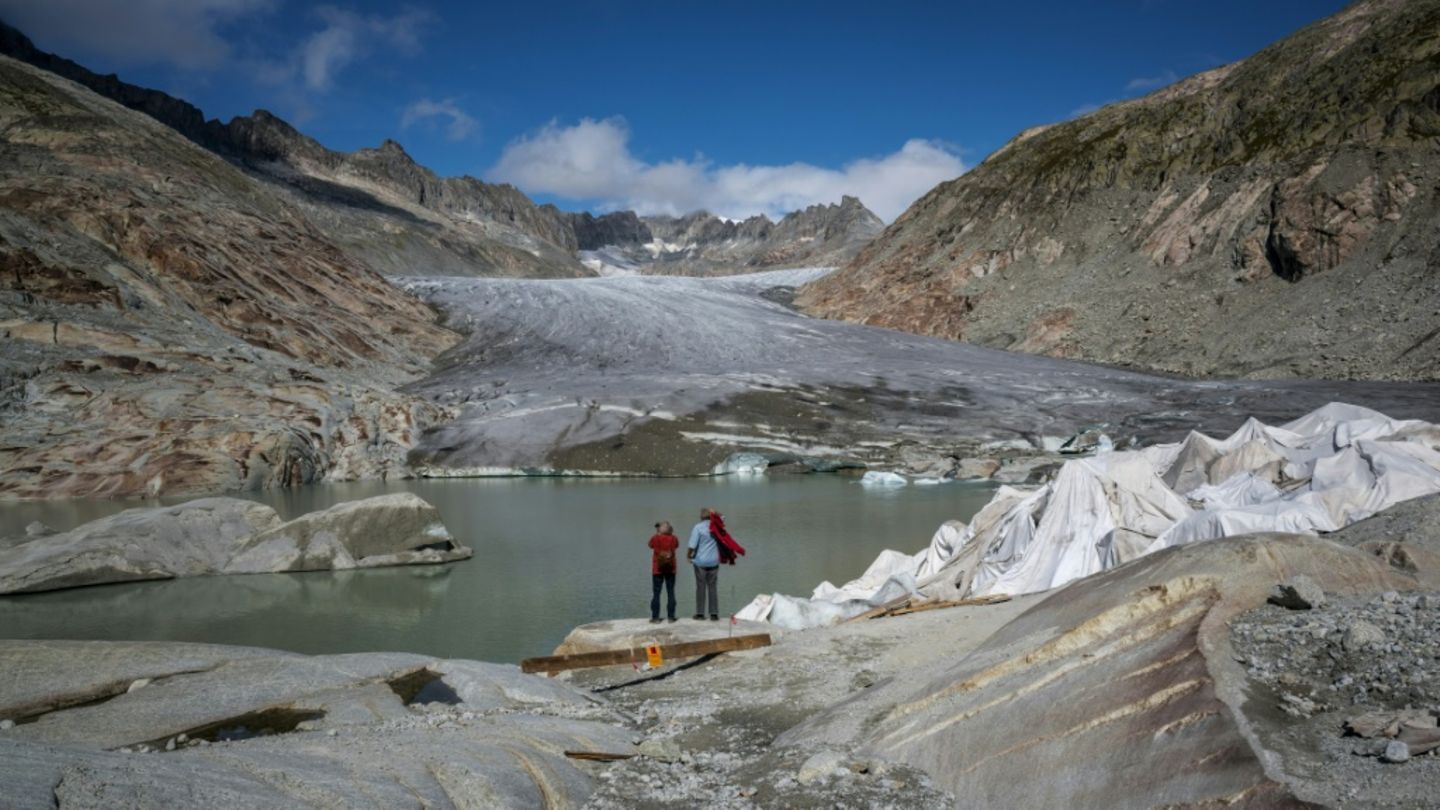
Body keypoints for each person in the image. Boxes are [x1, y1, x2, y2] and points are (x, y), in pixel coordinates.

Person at [688, 508, 721, 620]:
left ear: (701, 517)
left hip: (700, 562)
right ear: (711, 517)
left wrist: (688, 556)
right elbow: (722, 517)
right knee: (712, 587)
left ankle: (700, 613)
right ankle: (714, 614)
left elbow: (692, 546)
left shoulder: (698, 527)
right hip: (714, 561)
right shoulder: (716, 526)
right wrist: (714, 512)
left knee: (700, 587)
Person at [648, 521, 679, 623]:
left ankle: (655, 617)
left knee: (656, 593)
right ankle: (671, 617)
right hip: (671, 569)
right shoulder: (674, 538)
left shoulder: (655, 538)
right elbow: (677, 545)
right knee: (671, 592)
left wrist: (658, 534)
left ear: (659, 530)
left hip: (658, 569)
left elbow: (650, 545)